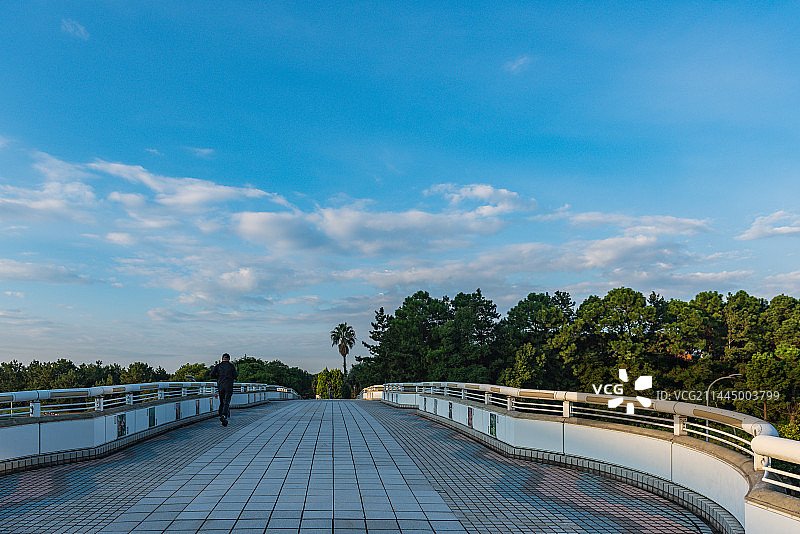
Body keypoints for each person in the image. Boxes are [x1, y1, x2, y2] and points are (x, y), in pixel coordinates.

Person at [210, 353, 238, 426]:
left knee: (222, 401)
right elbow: (235, 375)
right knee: (227, 401)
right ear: (229, 359)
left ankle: (221, 414)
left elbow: (211, 374)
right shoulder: (231, 366)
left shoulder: (218, 366)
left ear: (222, 358)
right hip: (229, 386)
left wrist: (218, 377)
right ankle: (224, 415)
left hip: (220, 386)